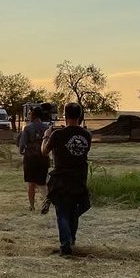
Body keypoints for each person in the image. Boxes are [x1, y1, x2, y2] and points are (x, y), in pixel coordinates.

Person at [41, 103, 92, 257]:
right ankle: (72, 239)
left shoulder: (58, 135)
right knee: (74, 211)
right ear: (80, 115)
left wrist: (46, 136)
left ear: (65, 114)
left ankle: (65, 245)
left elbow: (44, 151)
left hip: (62, 178)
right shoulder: (87, 135)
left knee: (62, 211)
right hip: (80, 177)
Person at [17, 107, 50, 211]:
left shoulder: (27, 128)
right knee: (42, 182)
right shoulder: (47, 128)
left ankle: (32, 206)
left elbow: (22, 144)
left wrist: (21, 150)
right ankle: (46, 199)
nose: (29, 115)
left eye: (30, 114)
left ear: (34, 115)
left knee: (31, 183)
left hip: (30, 158)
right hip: (43, 158)